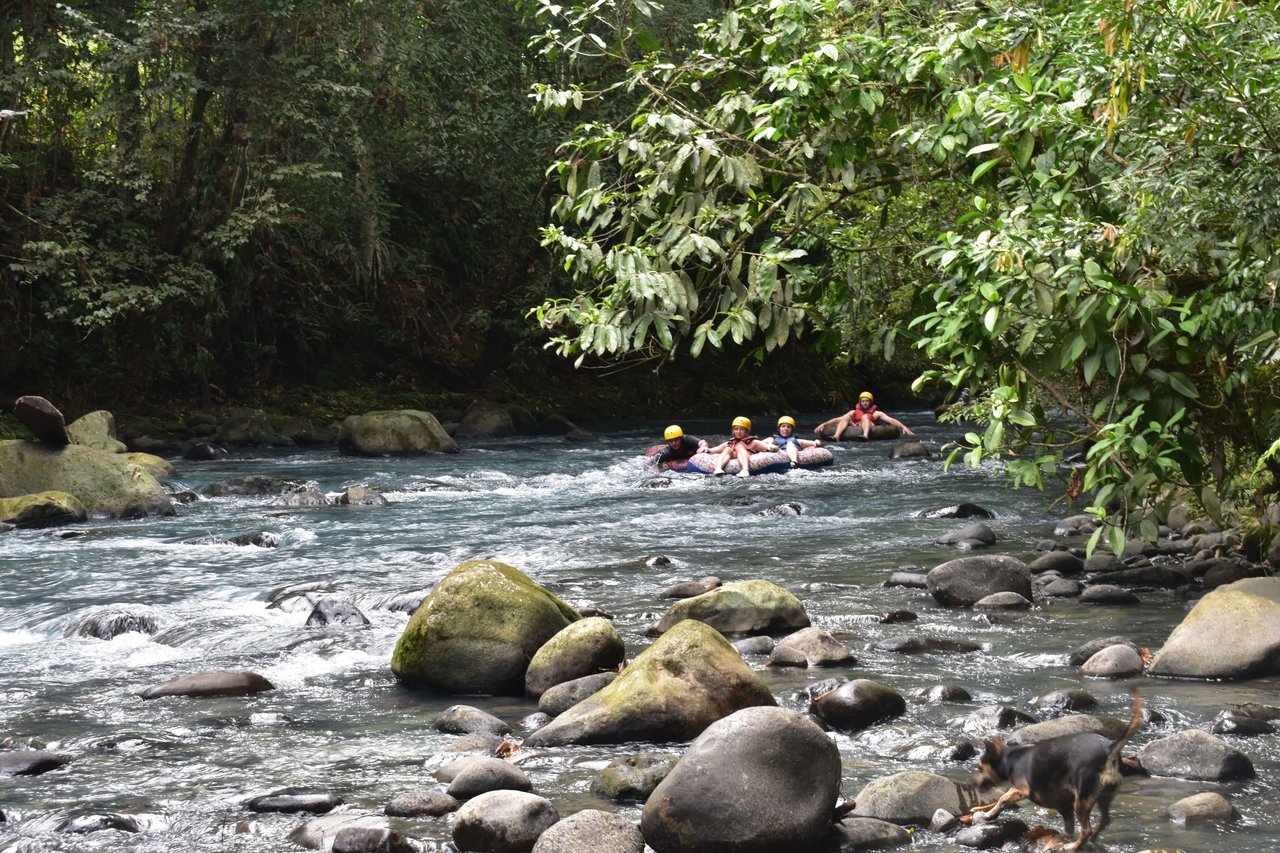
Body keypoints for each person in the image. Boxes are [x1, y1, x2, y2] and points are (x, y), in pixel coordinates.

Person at [814, 391, 915, 441]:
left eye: (867, 401)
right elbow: (837, 419)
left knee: (865, 417)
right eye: (863, 401)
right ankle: (836, 437)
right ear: (860, 402)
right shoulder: (854, 411)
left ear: (870, 402)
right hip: (856, 426)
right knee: (845, 418)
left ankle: (865, 436)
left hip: (869, 425)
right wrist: (824, 424)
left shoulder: (877, 413)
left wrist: (903, 426)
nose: (865, 403)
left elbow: (891, 420)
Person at [705, 416, 772, 478]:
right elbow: (711, 450)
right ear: (733, 430)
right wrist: (706, 449)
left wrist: (772, 447)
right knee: (728, 449)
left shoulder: (753, 442)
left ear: (747, 431)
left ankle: (745, 470)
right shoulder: (730, 443)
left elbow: (769, 447)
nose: (738, 432)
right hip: (732, 458)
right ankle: (718, 468)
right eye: (736, 429)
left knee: (739, 446)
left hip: (747, 460)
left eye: (742, 429)